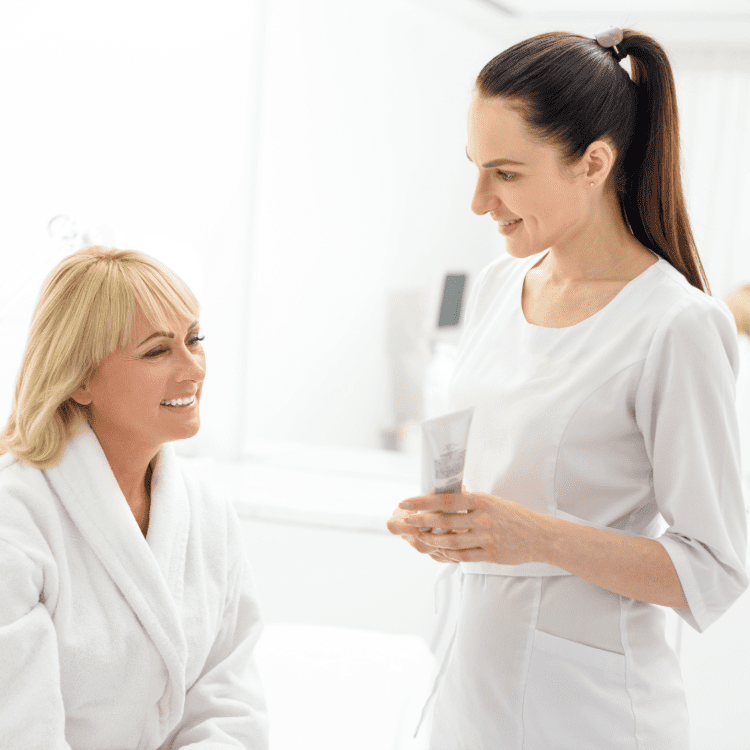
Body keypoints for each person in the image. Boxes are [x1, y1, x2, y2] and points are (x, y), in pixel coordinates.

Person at [388, 27, 748, 749]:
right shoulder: (498, 287)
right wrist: (449, 522)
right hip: (467, 694)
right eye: (475, 168)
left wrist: (532, 535)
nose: (479, 201)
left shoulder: (676, 325)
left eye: (508, 174)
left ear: (594, 163)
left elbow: (712, 570)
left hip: (592, 715)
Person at [0, 246, 269, 749]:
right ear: (79, 379)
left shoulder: (207, 512)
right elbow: (20, 732)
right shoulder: (15, 518)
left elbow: (229, 702)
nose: (193, 370)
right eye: (158, 350)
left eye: (195, 340)